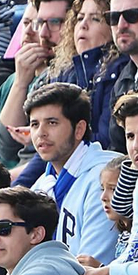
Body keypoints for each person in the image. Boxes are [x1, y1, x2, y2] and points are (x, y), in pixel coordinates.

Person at [25, 82, 118, 264]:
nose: (40, 133)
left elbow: (94, 265)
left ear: (79, 129)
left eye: (52, 123)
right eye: (35, 124)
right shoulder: (41, 185)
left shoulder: (104, 177)